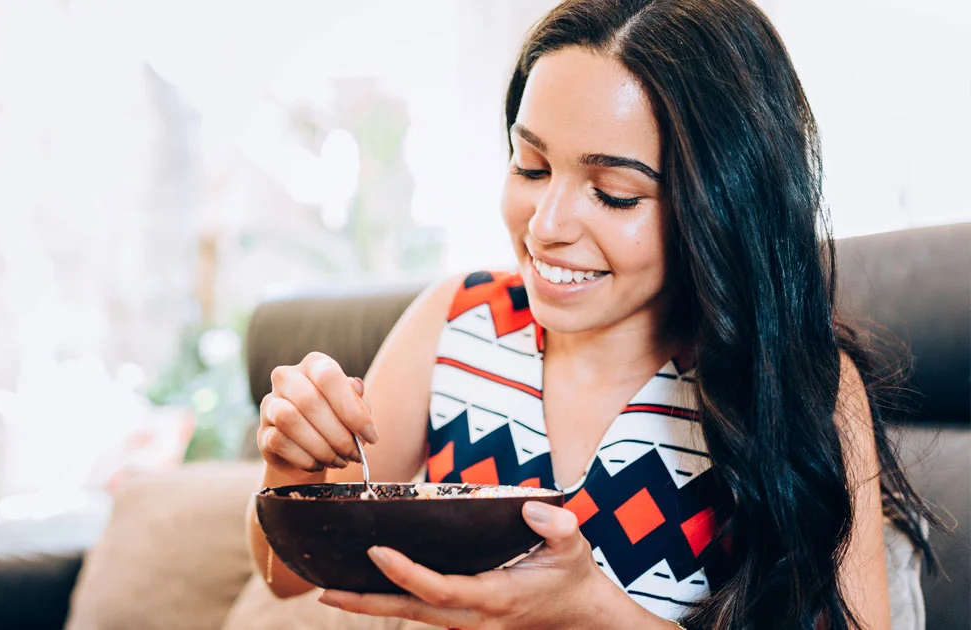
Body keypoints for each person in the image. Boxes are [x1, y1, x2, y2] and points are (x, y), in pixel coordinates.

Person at [246, 0, 934, 627]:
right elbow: (287, 576)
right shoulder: (456, 324)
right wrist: (292, 470)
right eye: (531, 166)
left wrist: (593, 613)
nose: (546, 226)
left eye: (614, 193)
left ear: (720, 205)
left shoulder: (799, 385)